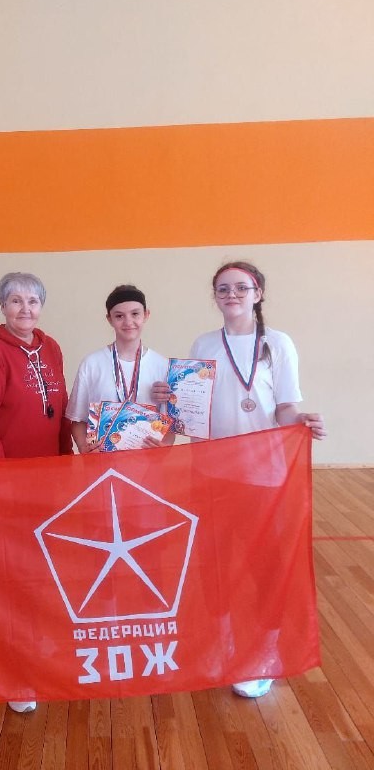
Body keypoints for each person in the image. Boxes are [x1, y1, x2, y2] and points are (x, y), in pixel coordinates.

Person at [154, 260, 326, 698]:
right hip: (211, 469)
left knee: (264, 565)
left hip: (263, 473)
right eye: (223, 289)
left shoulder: (278, 343)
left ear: (258, 293)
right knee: (213, 561)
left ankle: (264, 652)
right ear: (215, 296)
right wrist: (170, 401)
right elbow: (194, 407)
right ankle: (223, 644)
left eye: (241, 288)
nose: (232, 295)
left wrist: (301, 421)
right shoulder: (204, 343)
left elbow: (285, 407)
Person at [0, 271, 72, 712]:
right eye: (15, 300)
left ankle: (37, 648)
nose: (25, 309)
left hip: (46, 480)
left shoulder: (52, 348)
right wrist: (2, 480)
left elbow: (61, 412)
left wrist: (65, 465)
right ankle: (13, 670)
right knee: (10, 575)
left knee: (40, 571)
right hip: (5, 482)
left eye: (32, 301)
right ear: (2, 306)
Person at [67, 284, 169, 452]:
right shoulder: (91, 364)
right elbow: (78, 420)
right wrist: (84, 449)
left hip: (149, 463)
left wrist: (164, 448)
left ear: (146, 315)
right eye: (119, 316)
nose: (128, 322)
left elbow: (169, 425)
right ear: (109, 319)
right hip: (102, 463)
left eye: (135, 314)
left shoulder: (163, 366)